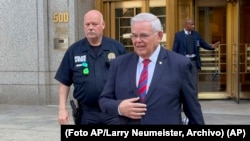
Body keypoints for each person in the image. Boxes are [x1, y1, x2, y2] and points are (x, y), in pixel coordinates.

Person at [98, 13, 205, 124]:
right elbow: (104, 100)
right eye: (134, 36)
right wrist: (119, 107)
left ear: (159, 36)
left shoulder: (179, 64)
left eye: (143, 35)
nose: (137, 40)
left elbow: (193, 111)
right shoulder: (119, 64)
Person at [55, 10, 127, 125]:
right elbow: (64, 82)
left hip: (113, 112)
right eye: (87, 24)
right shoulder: (74, 50)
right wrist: (62, 109)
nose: (90, 27)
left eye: (94, 24)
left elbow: (129, 78)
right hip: (87, 114)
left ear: (103, 25)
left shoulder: (117, 48)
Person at [172, 18, 220, 89]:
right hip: (183, 62)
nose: (193, 26)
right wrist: (174, 63)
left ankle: (194, 99)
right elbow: (174, 50)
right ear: (186, 25)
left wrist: (212, 46)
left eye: (193, 24)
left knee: (194, 83)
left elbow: (203, 44)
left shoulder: (196, 34)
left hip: (194, 61)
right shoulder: (178, 35)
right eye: (192, 24)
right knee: (184, 82)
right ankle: (185, 99)